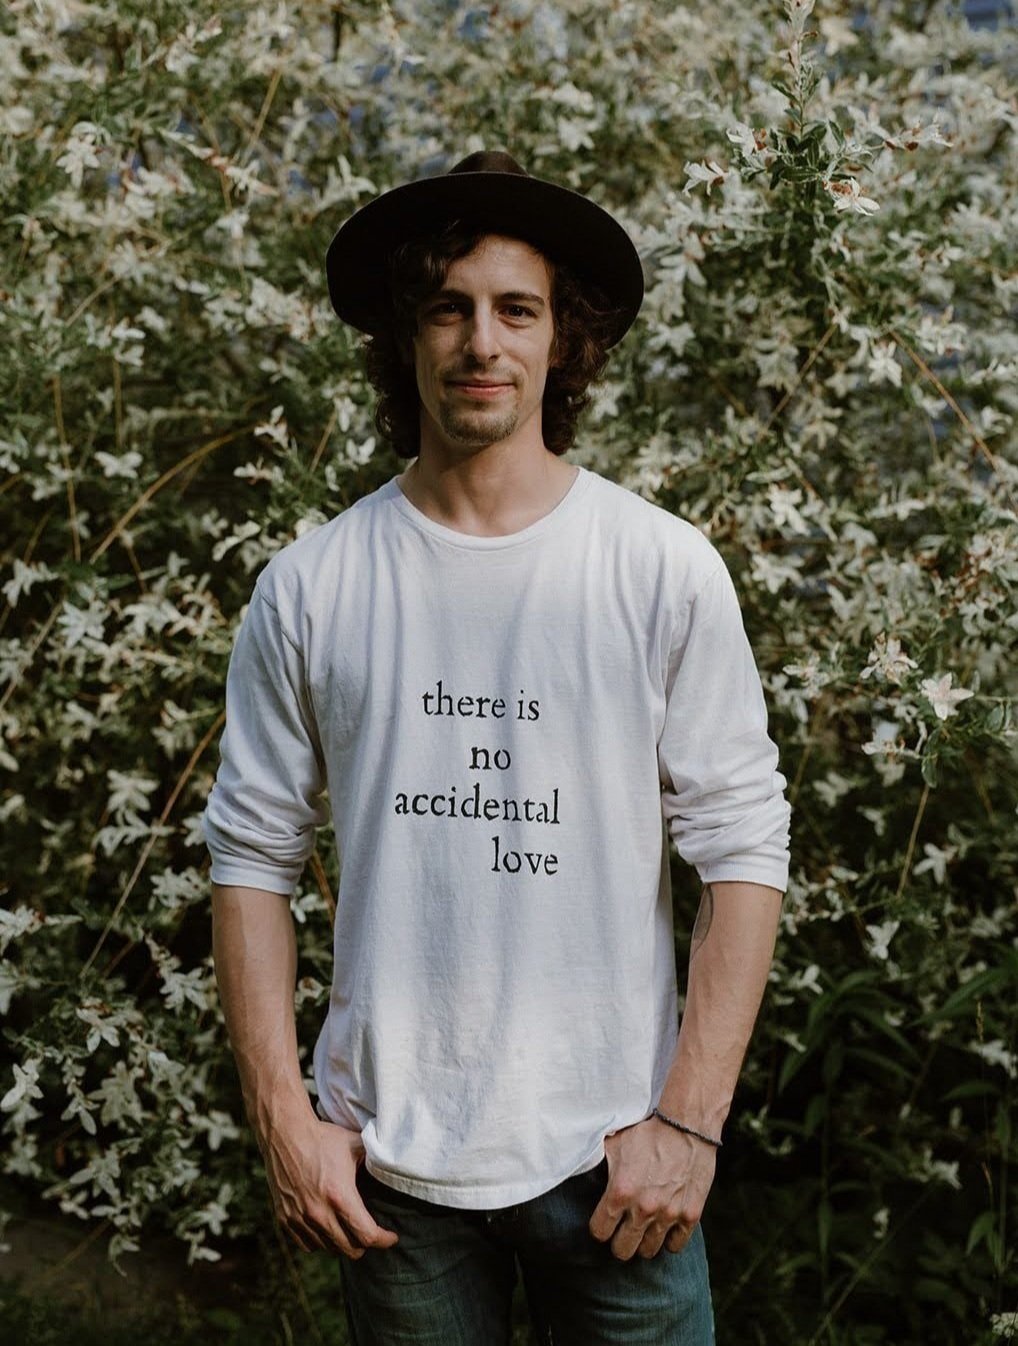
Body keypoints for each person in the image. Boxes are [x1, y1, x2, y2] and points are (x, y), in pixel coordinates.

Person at [204, 150, 791, 1345]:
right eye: (446, 307)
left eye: (515, 309)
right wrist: (283, 1114)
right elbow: (251, 857)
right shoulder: (312, 586)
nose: (481, 340)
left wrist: (687, 1122)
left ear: (561, 341)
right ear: (403, 338)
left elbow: (742, 843)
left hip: (616, 1163)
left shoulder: (658, 567)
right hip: (391, 1172)